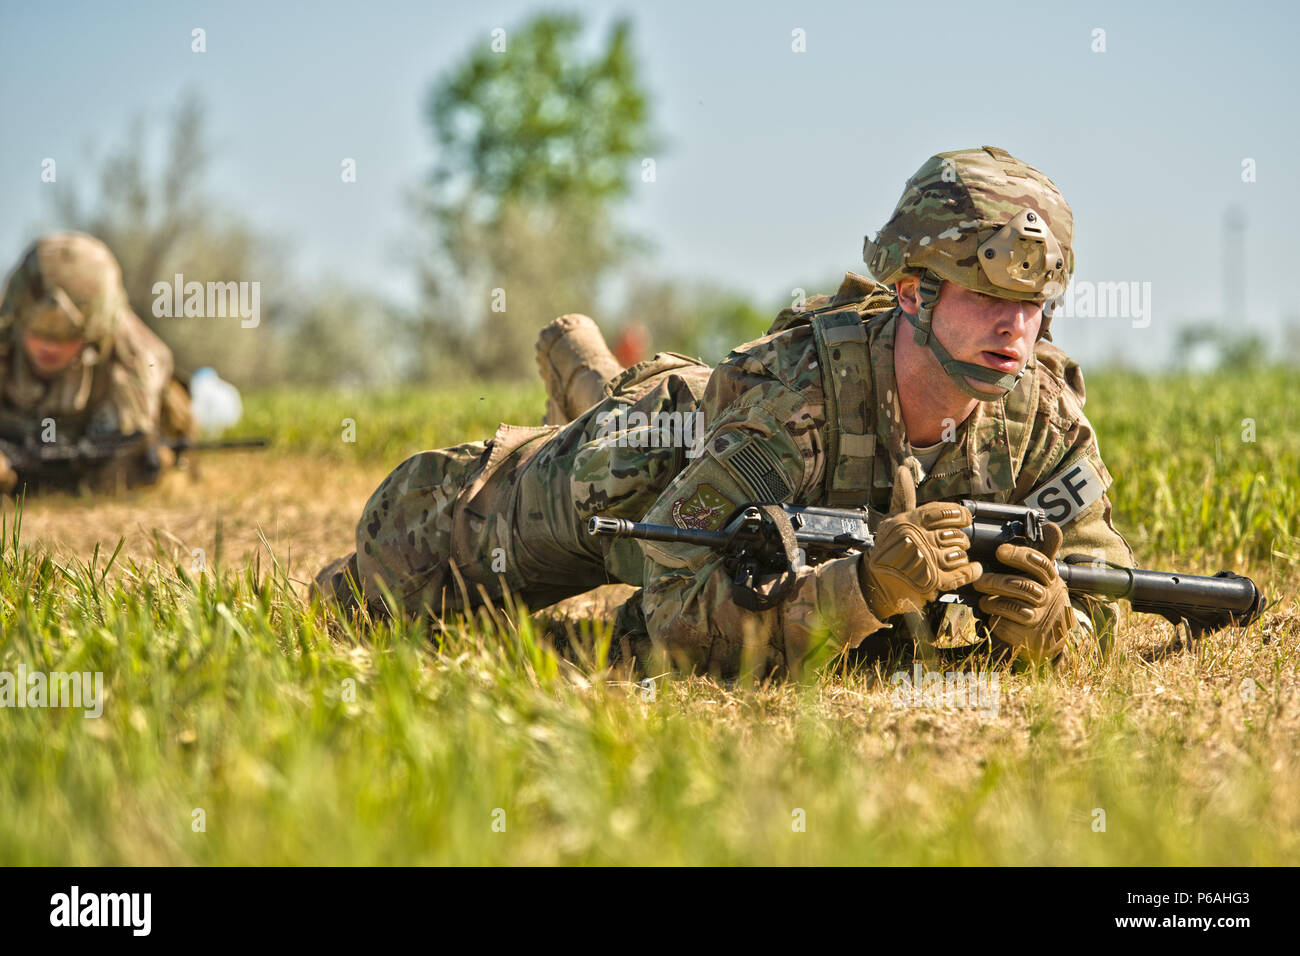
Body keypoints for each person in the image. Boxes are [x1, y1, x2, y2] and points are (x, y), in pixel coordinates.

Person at [316, 146, 1134, 678]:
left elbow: (1114, 597)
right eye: (992, 295)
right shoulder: (801, 399)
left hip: (720, 459)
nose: (1015, 328)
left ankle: (587, 370)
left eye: (1036, 305)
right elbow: (672, 612)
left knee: (612, 649)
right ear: (913, 295)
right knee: (401, 574)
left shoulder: (1043, 419)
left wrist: (1060, 629)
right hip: (648, 461)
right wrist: (863, 593)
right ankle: (589, 381)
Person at [0, 231, 196, 494]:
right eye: (37, 333)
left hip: (94, 455)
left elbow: (134, 449)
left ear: (96, 332)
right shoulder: (6, 333)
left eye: (66, 338)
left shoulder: (134, 357)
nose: (49, 347)